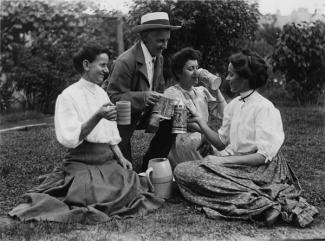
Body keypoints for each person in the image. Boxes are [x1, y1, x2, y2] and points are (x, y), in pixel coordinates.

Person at [8, 43, 164, 224]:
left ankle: (111, 179)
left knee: (131, 184)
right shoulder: (68, 96)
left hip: (105, 161)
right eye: (102, 65)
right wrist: (97, 116)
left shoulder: (101, 94)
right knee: (93, 194)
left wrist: (121, 157)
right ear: (86, 65)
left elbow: (110, 132)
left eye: (107, 66)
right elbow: (71, 137)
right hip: (82, 161)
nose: (106, 71)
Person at [174, 50, 318, 227]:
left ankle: (261, 204)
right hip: (238, 165)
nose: (226, 78)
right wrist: (202, 125)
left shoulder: (265, 108)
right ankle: (261, 200)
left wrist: (221, 162)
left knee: (205, 171)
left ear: (245, 78)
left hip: (264, 168)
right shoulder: (234, 105)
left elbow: (263, 156)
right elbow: (220, 141)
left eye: (231, 74)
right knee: (181, 171)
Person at [106, 12, 181, 164]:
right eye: (161, 41)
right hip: (122, 117)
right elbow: (112, 98)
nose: (165, 46)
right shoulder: (126, 61)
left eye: (167, 40)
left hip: (145, 113)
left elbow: (159, 89)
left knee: (178, 112)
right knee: (126, 172)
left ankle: (153, 161)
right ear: (145, 37)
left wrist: (157, 113)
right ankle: (121, 152)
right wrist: (143, 97)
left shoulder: (158, 58)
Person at [143, 47, 227, 170]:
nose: (196, 73)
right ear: (178, 72)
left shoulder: (202, 91)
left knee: (226, 150)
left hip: (204, 137)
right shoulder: (170, 93)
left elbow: (225, 114)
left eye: (197, 68)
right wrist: (206, 134)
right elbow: (167, 124)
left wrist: (217, 90)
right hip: (183, 142)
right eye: (190, 69)